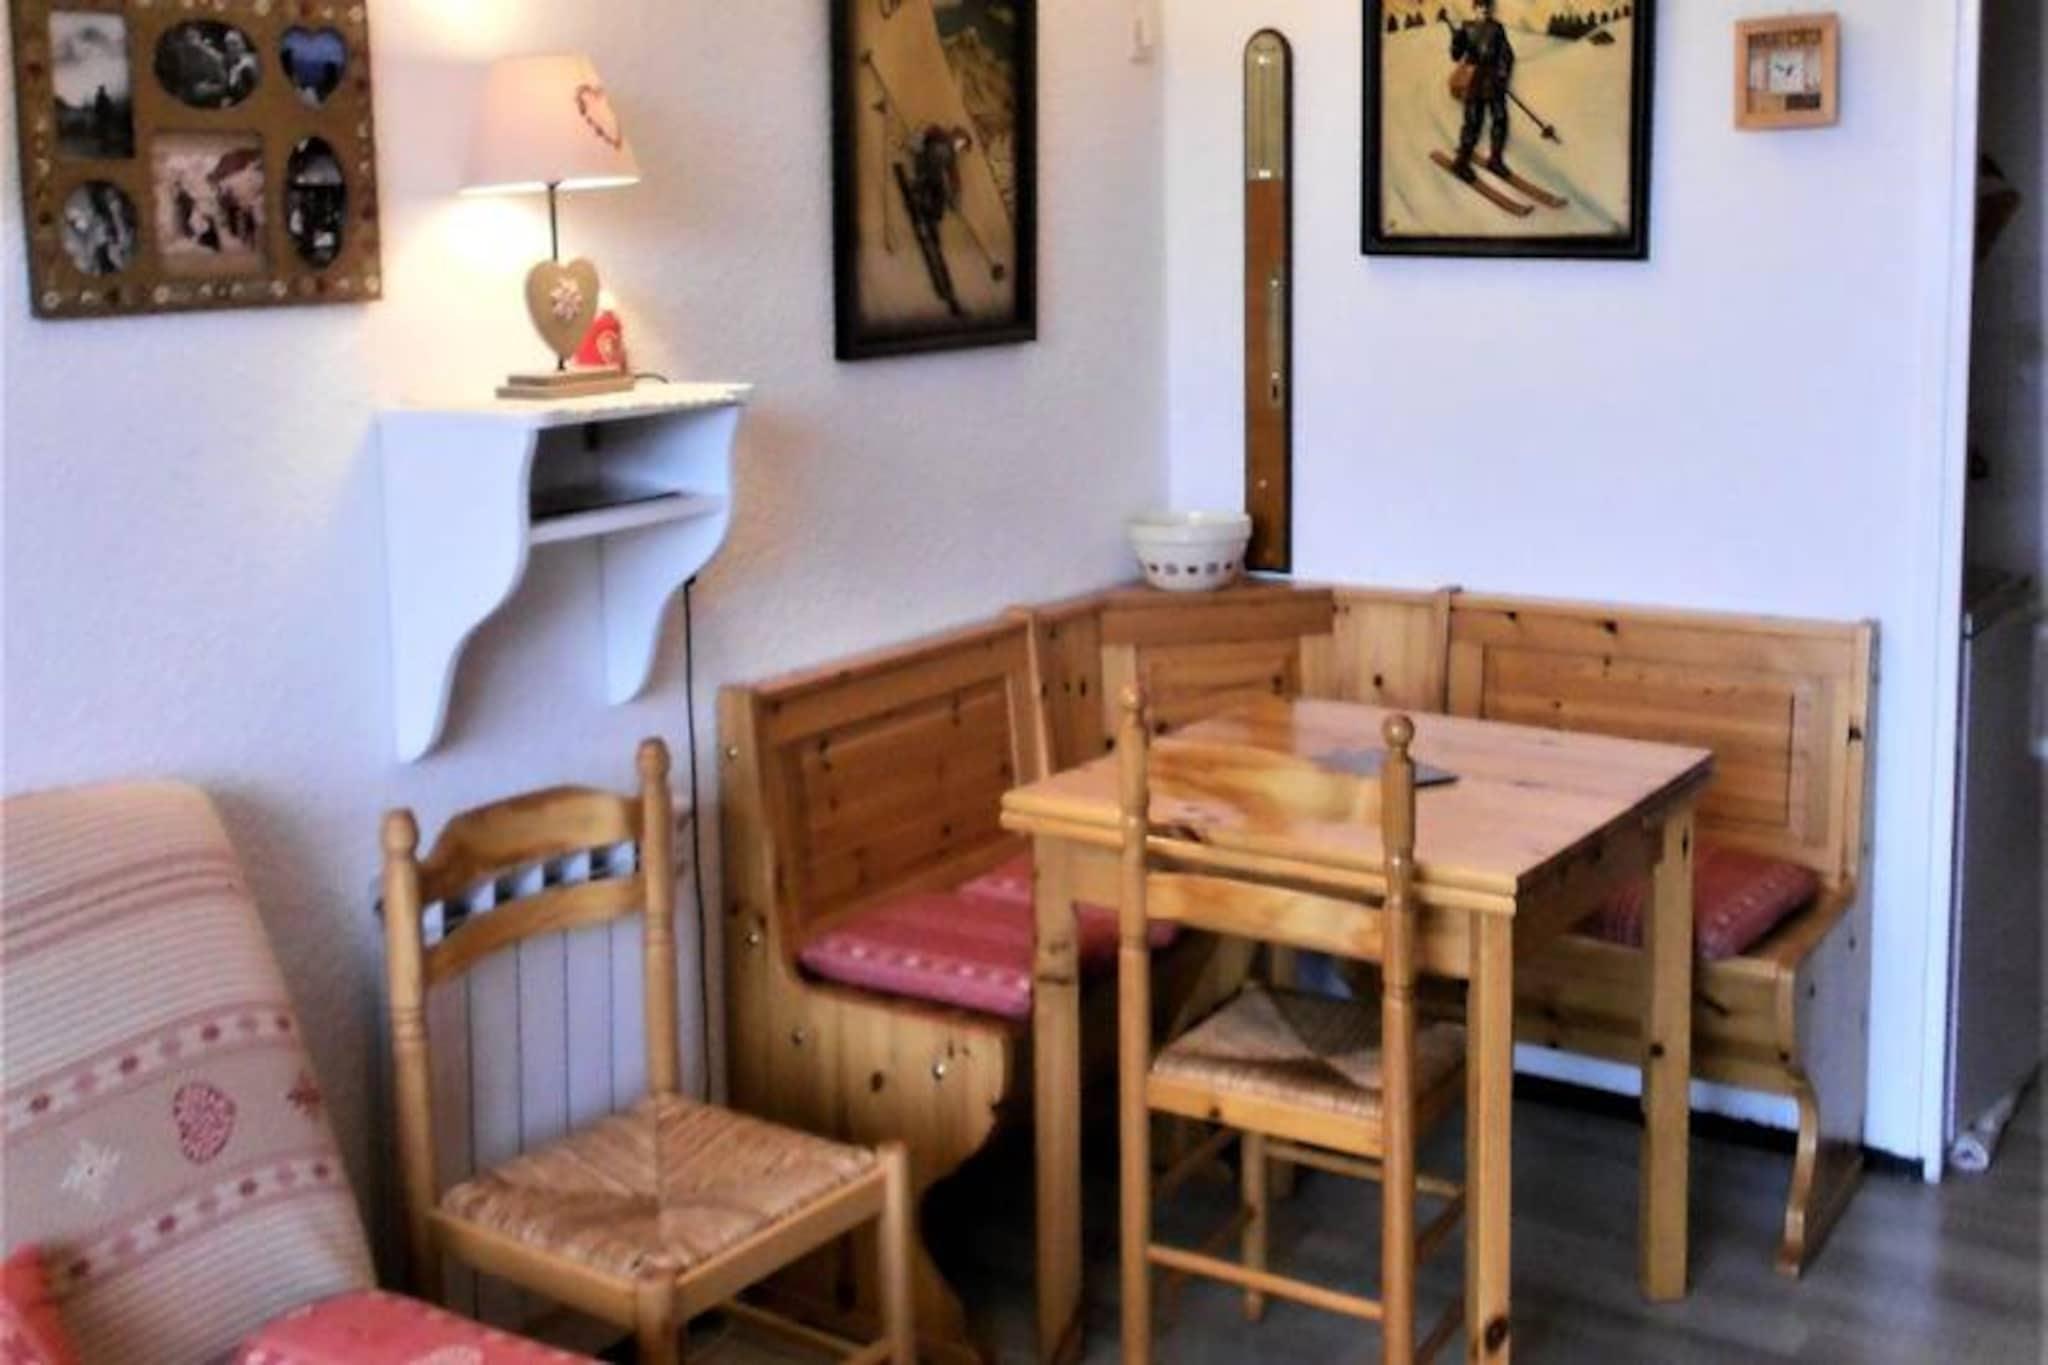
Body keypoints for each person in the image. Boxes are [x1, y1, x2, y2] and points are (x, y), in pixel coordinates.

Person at [1449, 0, 1515, 181]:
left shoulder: (1497, 29)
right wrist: (1456, 41)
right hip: (1473, 80)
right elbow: (1456, 55)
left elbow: (1507, 54)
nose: (1484, 10)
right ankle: (1461, 162)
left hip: (1493, 81)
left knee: (1500, 119)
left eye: (1487, 6)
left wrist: (1502, 74)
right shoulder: (1466, 27)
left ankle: (1495, 160)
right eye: (1480, 6)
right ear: (1474, 8)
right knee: (1473, 122)